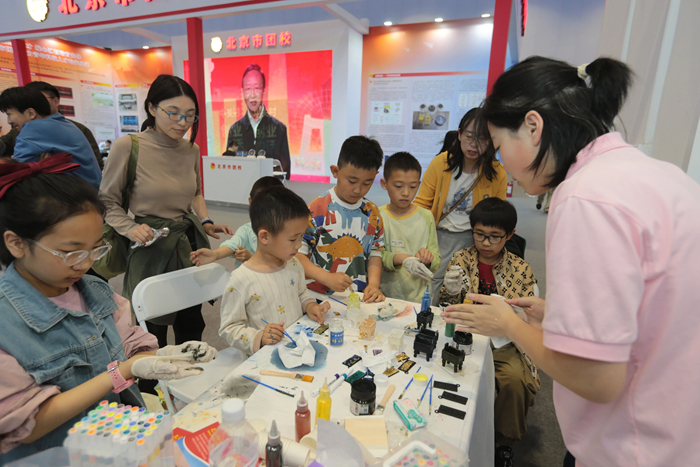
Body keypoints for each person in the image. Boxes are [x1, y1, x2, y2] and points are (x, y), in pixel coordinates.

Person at [442, 56, 700, 467]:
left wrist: (509, 324)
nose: (502, 162)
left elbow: (596, 379)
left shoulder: (585, 198)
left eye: (500, 146)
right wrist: (559, 316)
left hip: (634, 447)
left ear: (533, 126)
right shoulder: (657, 174)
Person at [0, 157, 215, 463]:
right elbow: (27, 424)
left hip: (116, 443)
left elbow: (130, 346)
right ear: (17, 244)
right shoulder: (7, 323)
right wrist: (123, 371)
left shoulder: (95, 291)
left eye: (96, 249)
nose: (86, 263)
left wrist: (164, 356)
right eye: (71, 252)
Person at [100, 74, 233, 350]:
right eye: (173, 113)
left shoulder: (191, 149)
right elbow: (107, 202)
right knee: (152, 328)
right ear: (152, 108)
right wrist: (130, 228)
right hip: (150, 247)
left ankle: (192, 373)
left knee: (191, 322)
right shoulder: (128, 147)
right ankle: (153, 378)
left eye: (190, 115)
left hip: (187, 245)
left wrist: (206, 221)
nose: (182, 122)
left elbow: (195, 192)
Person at [438, 197, 538, 467]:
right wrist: (449, 291)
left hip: (504, 340)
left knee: (515, 381)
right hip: (464, 333)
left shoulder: (520, 269)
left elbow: (528, 315)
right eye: (479, 234)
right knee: (445, 373)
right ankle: (449, 433)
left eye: (494, 237)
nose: (485, 243)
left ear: (510, 235)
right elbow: (446, 305)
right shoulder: (461, 259)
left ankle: (504, 443)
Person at [219, 186, 330, 355]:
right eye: (293, 239)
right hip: (265, 359)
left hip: (297, 348)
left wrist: (310, 306)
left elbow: (301, 294)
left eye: (301, 236)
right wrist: (259, 337)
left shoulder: (293, 264)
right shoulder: (241, 280)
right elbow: (229, 328)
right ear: (265, 236)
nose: (299, 245)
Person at [415, 108, 508, 305]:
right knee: (433, 284)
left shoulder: (496, 171)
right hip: (439, 236)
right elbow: (422, 204)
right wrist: (421, 239)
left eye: (481, 139)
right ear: (459, 134)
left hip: (474, 240)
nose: (474, 144)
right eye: (469, 136)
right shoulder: (441, 163)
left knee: (466, 288)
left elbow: (499, 215)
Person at [296, 135, 385, 302]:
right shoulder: (317, 209)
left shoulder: (372, 213)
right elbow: (297, 255)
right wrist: (326, 277)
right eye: (352, 181)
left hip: (357, 299)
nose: (358, 190)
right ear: (335, 171)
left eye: (367, 183)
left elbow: (375, 253)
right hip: (317, 298)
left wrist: (373, 284)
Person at [0, 87, 102, 190]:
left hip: (75, 194)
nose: (9, 121)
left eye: (9, 114)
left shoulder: (33, 128)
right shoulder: (65, 123)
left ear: (31, 113)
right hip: (91, 191)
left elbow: (14, 171)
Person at [379, 151, 441, 303]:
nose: (406, 193)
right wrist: (400, 258)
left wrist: (428, 259)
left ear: (419, 185)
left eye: (412, 187)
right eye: (398, 186)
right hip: (386, 297)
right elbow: (374, 257)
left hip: (419, 298)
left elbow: (436, 260)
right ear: (384, 184)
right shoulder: (378, 216)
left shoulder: (426, 216)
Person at [191, 176, 283, 268]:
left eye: (271, 205)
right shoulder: (246, 230)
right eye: (260, 204)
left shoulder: (285, 231)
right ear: (250, 202)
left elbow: (285, 261)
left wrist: (251, 258)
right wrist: (215, 254)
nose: (265, 210)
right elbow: (232, 245)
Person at [225, 64, 291, 177]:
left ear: (264, 91)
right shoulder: (235, 130)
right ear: (242, 92)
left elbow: (285, 172)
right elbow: (229, 168)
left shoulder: (279, 129)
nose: (252, 95)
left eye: (257, 88)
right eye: (248, 89)